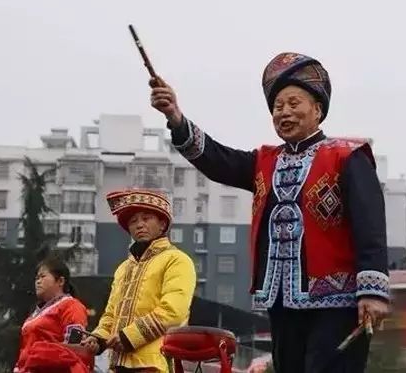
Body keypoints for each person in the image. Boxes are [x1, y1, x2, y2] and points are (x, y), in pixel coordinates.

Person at [149, 52, 391, 373]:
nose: (284, 112)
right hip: (281, 301)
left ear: (317, 110)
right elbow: (217, 160)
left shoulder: (347, 157)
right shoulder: (264, 161)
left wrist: (373, 292)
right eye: (278, 107)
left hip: (338, 302)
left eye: (294, 103)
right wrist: (176, 118)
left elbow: (369, 224)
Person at [81, 189, 196, 373]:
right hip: (118, 365)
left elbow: (173, 312)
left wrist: (129, 337)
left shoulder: (177, 260)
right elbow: (111, 314)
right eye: (133, 221)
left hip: (155, 363)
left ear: (162, 223)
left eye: (146, 218)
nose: (139, 225)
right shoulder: (123, 269)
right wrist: (98, 338)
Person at [13, 256, 92, 373]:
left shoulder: (71, 306)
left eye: (42, 276)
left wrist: (43, 354)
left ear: (60, 281)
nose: (38, 281)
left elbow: (76, 349)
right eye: (36, 278)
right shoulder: (36, 313)